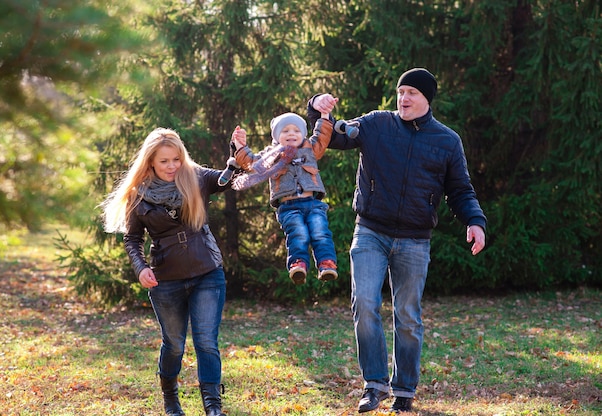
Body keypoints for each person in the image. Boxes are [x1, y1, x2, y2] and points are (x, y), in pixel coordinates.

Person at [308, 68, 487, 414]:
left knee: (407, 316)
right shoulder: (376, 123)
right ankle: (374, 385)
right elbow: (333, 136)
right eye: (401, 91)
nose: (403, 98)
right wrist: (318, 108)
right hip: (371, 232)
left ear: (426, 99)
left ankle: (404, 390)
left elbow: (460, 190)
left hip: (414, 240)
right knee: (364, 303)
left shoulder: (447, 141)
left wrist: (475, 221)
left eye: (412, 93)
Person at [101, 127, 229, 416]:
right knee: (173, 345)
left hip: (207, 272)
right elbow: (132, 239)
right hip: (166, 279)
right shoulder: (139, 195)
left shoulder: (197, 178)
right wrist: (140, 267)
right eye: (164, 161)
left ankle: (213, 407)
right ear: (151, 163)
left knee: (207, 342)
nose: (172, 166)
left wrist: (236, 156)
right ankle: (170, 399)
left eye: (176, 159)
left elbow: (228, 179)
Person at [231, 112, 338, 284]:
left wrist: (324, 117)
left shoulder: (309, 148)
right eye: (285, 131)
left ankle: (326, 264)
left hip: (313, 204)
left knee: (320, 232)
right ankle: (298, 264)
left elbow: (321, 138)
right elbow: (251, 163)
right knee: (299, 233)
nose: (291, 134)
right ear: (276, 136)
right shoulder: (271, 155)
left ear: (303, 134)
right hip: (289, 207)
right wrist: (240, 146)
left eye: (296, 130)